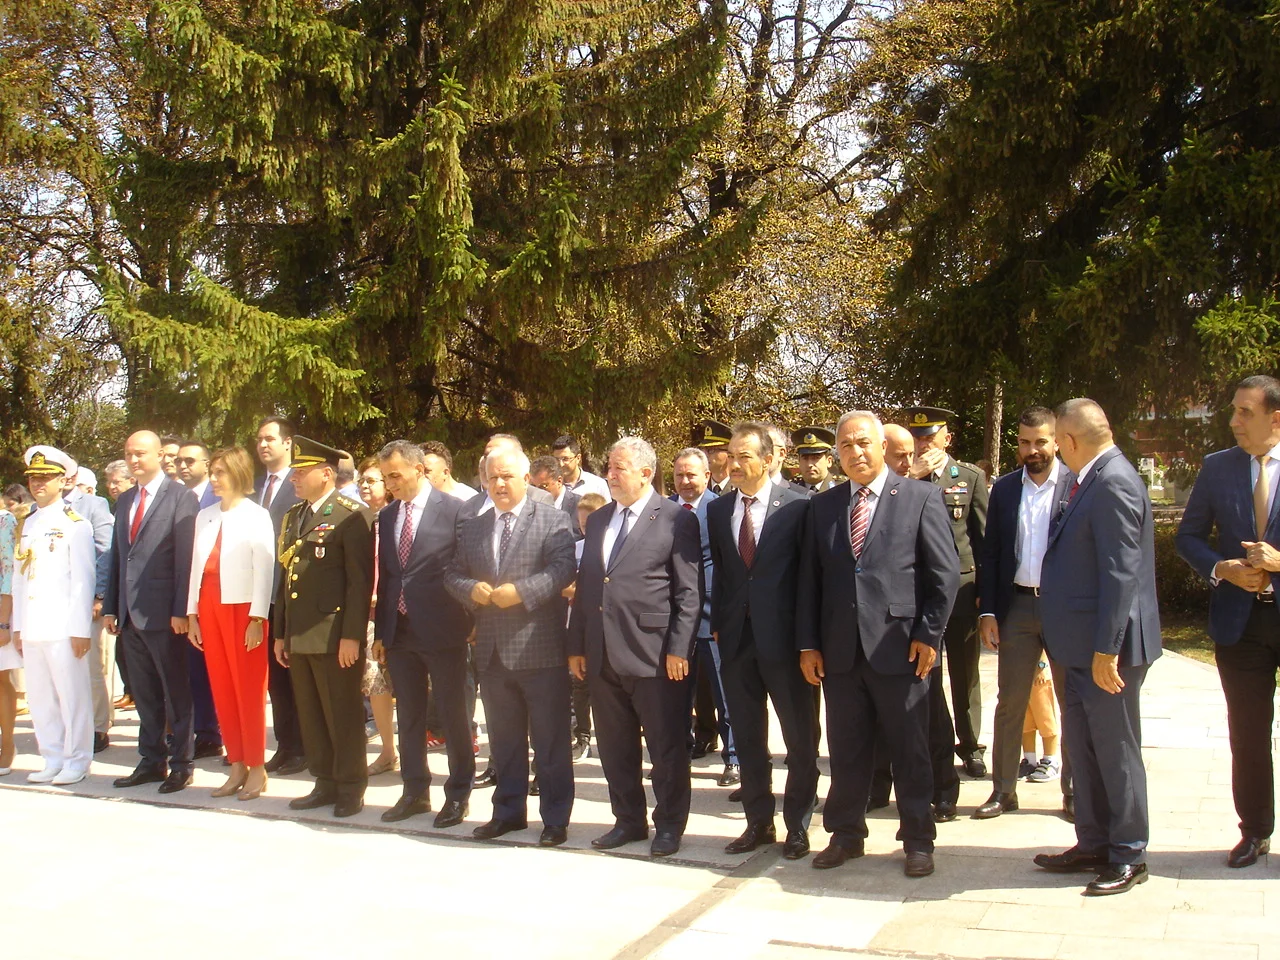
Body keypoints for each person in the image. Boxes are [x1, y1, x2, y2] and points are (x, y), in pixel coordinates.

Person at [797, 411, 960, 878]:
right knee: (847, 749)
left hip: (900, 648)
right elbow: (810, 581)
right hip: (841, 652)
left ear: (882, 447)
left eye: (863, 442)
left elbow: (944, 574)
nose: (856, 452)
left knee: (910, 749)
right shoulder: (823, 507)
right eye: (846, 445)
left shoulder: (920, 497)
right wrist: (808, 643)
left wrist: (929, 635)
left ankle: (918, 840)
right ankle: (845, 835)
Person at [1034, 398, 1161, 896]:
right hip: (1079, 647)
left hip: (1108, 652)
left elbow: (1120, 573)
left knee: (1116, 751)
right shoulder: (1092, 477)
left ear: (1068, 441)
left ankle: (1128, 853)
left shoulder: (1114, 482)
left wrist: (1107, 650)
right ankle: (1094, 842)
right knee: (1084, 750)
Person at [568, 437, 701, 858]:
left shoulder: (676, 519)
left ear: (646, 473)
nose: (610, 475)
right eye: (608, 467)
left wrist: (679, 648)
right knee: (615, 746)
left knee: (666, 747)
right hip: (602, 651)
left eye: (618, 468)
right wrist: (577, 644)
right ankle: (628, 820)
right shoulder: (600, 519)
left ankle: (670, 825)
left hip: (655, 653)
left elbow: (689, 591)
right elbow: (589, 584)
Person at [446, 448, 578, 844]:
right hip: (491, 652)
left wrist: (521, 592)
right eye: (493, 478)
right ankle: (508, 813)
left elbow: (563, 569)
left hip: (540, 648)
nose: (500, 484)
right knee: (504, 742)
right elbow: (451, 573)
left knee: (550, 741)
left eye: (507, 476)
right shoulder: (474, 526)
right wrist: (471, 589)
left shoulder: (552, 519)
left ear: (525, 478)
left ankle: (555, 819)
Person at [1176, 374, 1280, 868]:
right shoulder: (1217, 467)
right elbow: (1188, 537)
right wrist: (1224, 570)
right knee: (1248, 734)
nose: (1234, 421)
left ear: (1275, 418)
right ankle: (1254, 831)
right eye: (1234, 410)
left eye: (1245, 412)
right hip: (1240, 627)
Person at [710, 424, 816, 859]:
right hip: (737, 641)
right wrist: (720, 624)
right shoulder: (720, 510)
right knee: (749, 738)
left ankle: (798, 825)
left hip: (787, 643)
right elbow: (722, 573)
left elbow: (810, 578)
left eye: (745, 456)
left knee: (800, 738)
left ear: (769, 460)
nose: (734, 464)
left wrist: (809, 642)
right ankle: (758, 822)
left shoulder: (800, 505)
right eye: (731, 455)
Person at [975, 406, 1075, 821]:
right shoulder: (1005, 489)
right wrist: (988, 611)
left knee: (1072, 701)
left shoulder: (1076, 484)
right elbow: (992, 553)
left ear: (1057, 442)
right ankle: (1003, 791)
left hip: (1063, 608)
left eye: (1040, 442)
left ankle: (1075, 791)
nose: (1032, 450)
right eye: (1024, 442)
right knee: (1010, 702)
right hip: (1016, 607)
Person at [372, 440, 474, 826]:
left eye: (395, 476)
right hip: (400, 631)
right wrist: (382, 632)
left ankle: (458, 794)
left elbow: (468, 566)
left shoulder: (456, 510)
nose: (390, 484)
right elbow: (389, 576)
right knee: (410, 715)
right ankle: (414, 790)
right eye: (385, 477)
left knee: (453, 714)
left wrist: (473, 620)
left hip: (444, 628)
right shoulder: (387, 516)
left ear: (418, 469)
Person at [275, 437, 375, 818]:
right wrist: (281, 633)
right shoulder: (294, 516)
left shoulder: (352, 515)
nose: (294, 479)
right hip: (300, 633)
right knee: (312, 713)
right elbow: (286, 579)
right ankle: (325, 781)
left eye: (301, 472)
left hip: (334, 634)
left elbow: (358, 583)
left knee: (342, 714)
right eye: (294, 473)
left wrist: (351, 636)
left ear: (327, 474)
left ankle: (351, 785)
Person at [104, 430, 200, 794]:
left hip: (164, 614)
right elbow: (118, 556)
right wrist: (112, 606)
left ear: (161, 456)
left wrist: (181, 610)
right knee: (143, 693)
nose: (133, 460)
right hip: (130, 614)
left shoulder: (180, 497)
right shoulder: (126, 499)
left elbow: (185, 558)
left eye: (140, 453)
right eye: (129, 453)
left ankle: (182, 763)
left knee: (175, 691)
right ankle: (151, 760)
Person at [904, 405, 989, 780]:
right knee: (925, 672)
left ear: (947, 439)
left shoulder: (968, 477)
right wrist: (913, 476)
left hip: (962, 592)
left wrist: (986, 598)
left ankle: (970, 745)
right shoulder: (905, 479)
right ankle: (930, 744)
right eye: (917, 437)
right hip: (919, 595)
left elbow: (984, 541)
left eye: (930, 437)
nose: (923, 444)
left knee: (965, 672)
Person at [186, 447, 275, 800]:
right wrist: (192, 613)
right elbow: (196, 568)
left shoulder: (256, 515)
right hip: (209, 607)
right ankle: (236, 763)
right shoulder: (205, 515)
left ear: (238, 473)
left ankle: (257, 766)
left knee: (248, 690)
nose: (214, 479)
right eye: (212, 472)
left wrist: (257, 617)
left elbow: (264, 569)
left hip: (242, 609)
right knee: (222, 687)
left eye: (220, 472)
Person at [12, 446, 97, 785]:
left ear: (63, 481)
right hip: (33, 625)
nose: (38, 483)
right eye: (34, 478)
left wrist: (80, 630)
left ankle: (77, 760)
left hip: (63, 626)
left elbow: (83, 581)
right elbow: (20, 578)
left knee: (72, 697)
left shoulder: (75, 525)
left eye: (46, 477)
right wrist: (18, 626)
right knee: (40, 698)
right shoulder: (28, 523)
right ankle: (52, 756)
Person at [670, 447, 737, 787]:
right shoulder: (664, 510)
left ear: (707, 476)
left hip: (712, 615)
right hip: (676, 618)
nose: (685, 481)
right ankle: (677, 755)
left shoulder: (720, 509)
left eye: (691, 474)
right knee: (677, 694)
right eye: (679, 475)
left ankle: (734, 758)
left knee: (725, 693)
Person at [254, 416, 307, 776]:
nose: (263, 445)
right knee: (275, 679)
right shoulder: (255, 487)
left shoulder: (299, 482)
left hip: (292, 594)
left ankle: (304, 747)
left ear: (288, 442)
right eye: (259, 439)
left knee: (295, 676)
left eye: (270, 439)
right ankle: (285, 745)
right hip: (263, 596)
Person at [61, 458, 116, 753]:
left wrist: (100, 595)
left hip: (85, 599)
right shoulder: (39, 510)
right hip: (54, 600)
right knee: (61, 666)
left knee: (90, 665)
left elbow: (105, 551)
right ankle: (69, 726)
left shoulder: (94, 504)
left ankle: (97, 727)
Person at [176, 440, 223, 759]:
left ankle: (215, 732)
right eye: (179, 460)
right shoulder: (174, 497)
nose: (182, 465)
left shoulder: (218, 496)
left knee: (214, 671)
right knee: (191, 670)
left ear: (206, 464)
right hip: (185, 596)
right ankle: (199, 731)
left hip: (216, 596)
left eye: (190, 460)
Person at [356, 457, 398, 777]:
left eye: (372, 480)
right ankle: (387, 751)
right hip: (366, 615)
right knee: (376, 684)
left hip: (396, 612)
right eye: (362, 481)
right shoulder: (357, 520)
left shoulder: (396, 519)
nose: (365, 486)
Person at [565, 492, 607, 761]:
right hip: (578, 622)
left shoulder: (612, 547)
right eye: (581, 525)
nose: (585, 529)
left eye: (590, 523)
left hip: (605, 626)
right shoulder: (575, 549)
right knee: (579, 685)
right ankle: (582, 736)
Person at [102, 460, 135, 709]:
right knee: (123, 652)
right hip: (122, 596)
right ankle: (129, 690)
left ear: (131, 480)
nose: (112, 487)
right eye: (109, 482)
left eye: (117, 481)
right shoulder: (119, 507)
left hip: (143, 599)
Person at [530, 455, 582, 538]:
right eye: (533, 487)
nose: (537, 491)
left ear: (559, 481)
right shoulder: (529, 507)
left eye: (543, 487)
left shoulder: (579, 506)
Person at [0, 496, 15, 776]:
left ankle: (7, 744)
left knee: (1, 679)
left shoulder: (5, 520)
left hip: (0, 608)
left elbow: (8, 572)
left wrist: (3, 623)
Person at [551, 435, 611, 500]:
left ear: (578, 458)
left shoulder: (597, 485)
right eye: (556, 459)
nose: (561, 464)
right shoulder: (550, 486)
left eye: (565, 459)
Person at [792, 427, 841, 493]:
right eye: (805, 458)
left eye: (815, 458)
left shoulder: (842, 489)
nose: (809, 464)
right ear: (799, 461)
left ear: (829, 461)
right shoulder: (789, 490)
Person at [767, 425, 811, 496]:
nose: (758, 453)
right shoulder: (747, 493)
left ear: (781, 454)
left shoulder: (802, 496)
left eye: (765, 447)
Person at [693, 419, 733, 495]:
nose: (705, 455)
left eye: (710, 450)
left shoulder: (741, 488)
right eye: (703, 449)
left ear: (729, 452)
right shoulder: (698, 487)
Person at [178, 442, 219, 508]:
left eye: (189, 461)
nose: (182, 466)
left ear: (207, 466)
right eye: (178, 461)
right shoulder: (172, 495)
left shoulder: (220, 495)